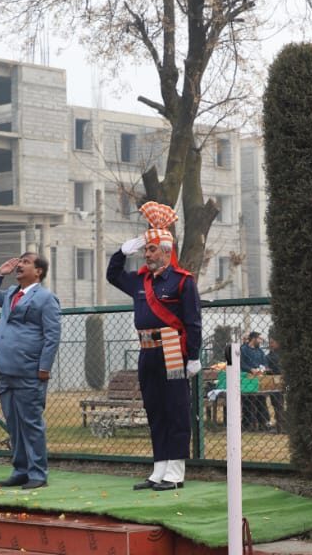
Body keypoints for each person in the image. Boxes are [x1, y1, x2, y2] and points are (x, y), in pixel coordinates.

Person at [106, 201, 202, 492]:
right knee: (154, 408)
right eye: (145, 250)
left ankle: (175, 471)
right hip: (147, 350)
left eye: (151, 250)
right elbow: (113, 276)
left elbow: (193, 321)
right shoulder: (140, 281)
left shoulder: (183, 282)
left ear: (165, 251)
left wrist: (193, 357)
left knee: (175, 408)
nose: (146, 255)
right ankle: (159, 468)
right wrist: (121, 253)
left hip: (173, 349)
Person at [0, 252, 61, 490]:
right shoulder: (11, 295)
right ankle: (20, 470)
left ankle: (38, 473)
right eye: (20, 262)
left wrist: (44, 367)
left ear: (38, 271)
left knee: (31, 422)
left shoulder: (46, 298)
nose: (20, 265)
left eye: (26, 262)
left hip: (29, 369)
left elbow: (52, 336)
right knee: (14, 423)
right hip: (5, 366)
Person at [239, 331, 270, 430]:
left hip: (259, 379)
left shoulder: (260, 351)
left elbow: (265, 363)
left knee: (261, 400)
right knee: (247, 402)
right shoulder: (243, 350)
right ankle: (247, 424)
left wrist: (263, 369)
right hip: (247, 379)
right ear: (253, 339)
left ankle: (262, 423)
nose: (260, 341)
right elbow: (241, 363)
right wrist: (250, 369)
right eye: (259, 339)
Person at [264, 325, 285, 433]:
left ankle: (281, 426)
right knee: (276, 404)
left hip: (281, 380)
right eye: (270, 342)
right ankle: (279, 426)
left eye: (272, 342)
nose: (271, 344)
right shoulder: (269, 355)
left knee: (279, 404)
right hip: (273, 382)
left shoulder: (280, 355)